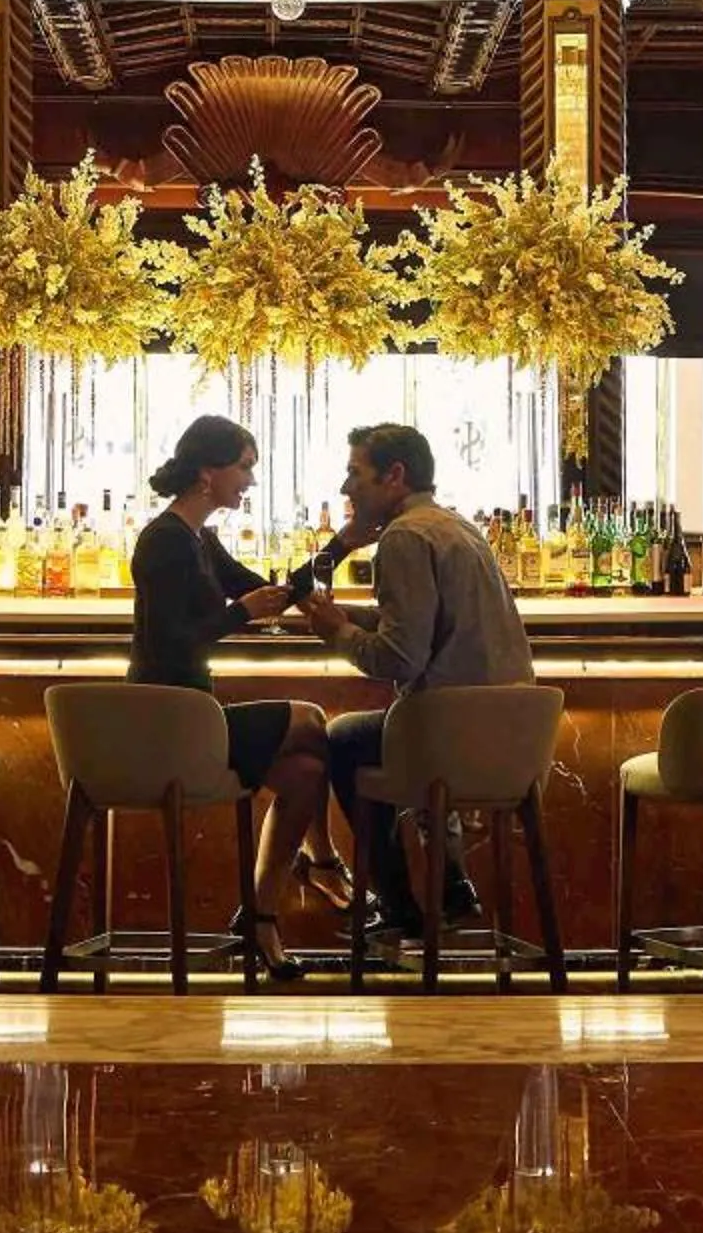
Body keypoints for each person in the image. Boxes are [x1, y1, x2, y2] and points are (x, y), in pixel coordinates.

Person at [127, 414, 349, 980]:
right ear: (208, 472)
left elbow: (270, 590)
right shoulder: (164, 542)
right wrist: (241, 613)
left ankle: (261, 917)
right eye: (244, 467)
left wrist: (343, 544)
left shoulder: (199, 539)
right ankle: (322, 861)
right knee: (313, 719)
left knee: (303, 771)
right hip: (167, 719)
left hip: (195, 711)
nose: (250, 480)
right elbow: (170, 640)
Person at [302, 422, 536, 944]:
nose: (345, 488)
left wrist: (336, 634)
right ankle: (453, 889)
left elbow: (400, 660)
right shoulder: (456, 526)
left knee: (344, 738)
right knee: (384, 734)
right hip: (513, 737)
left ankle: (398, 906)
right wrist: (354, 618)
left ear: (394, 476)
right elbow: (426, 625)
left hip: (448, 736)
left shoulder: (404, 539)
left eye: (354, 473)